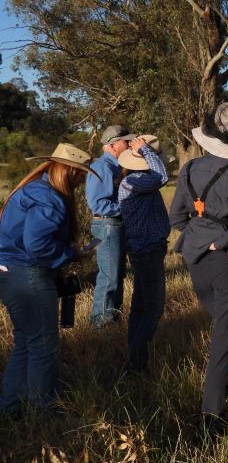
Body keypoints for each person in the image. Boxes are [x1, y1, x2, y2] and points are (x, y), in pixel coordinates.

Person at [169, 102, 228, 435]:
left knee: (221, 330)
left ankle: (213, 405)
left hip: (196, 262)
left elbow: (176, 218)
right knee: (225, 340)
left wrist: (200, 236)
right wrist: (218, 242)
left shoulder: (191, 168)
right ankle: (212, 418)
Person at [0, 143, 97, 414]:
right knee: (43, 343)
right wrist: (71, 254)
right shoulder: (49, 197)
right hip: (28, 275)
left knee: (27, 340)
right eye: (80, 174)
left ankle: (11, 407)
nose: (81, 180)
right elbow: (37, 244)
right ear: (68, 172)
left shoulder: (32, 188)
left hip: (10, 271)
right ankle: (43, 409)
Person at [117, 135, 170, 374]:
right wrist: (147, 151)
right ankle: (136, 362)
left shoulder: (136, 181)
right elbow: (163, 176)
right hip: (146, 251)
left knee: (140, 307)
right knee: (153, 308)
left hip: (146, 250)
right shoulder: (136, 181)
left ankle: (136, 359)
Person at [86, 124, 136, 327]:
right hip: (107, 224)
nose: (129, 144)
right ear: (114, 145)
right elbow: (97, 202)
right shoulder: (103, 166)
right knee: (109, 276)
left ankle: (113, 319)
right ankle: (101, 324)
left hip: (113, 224)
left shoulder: (114, 165)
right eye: (126, 141)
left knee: (116, 274)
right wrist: (127, 209)